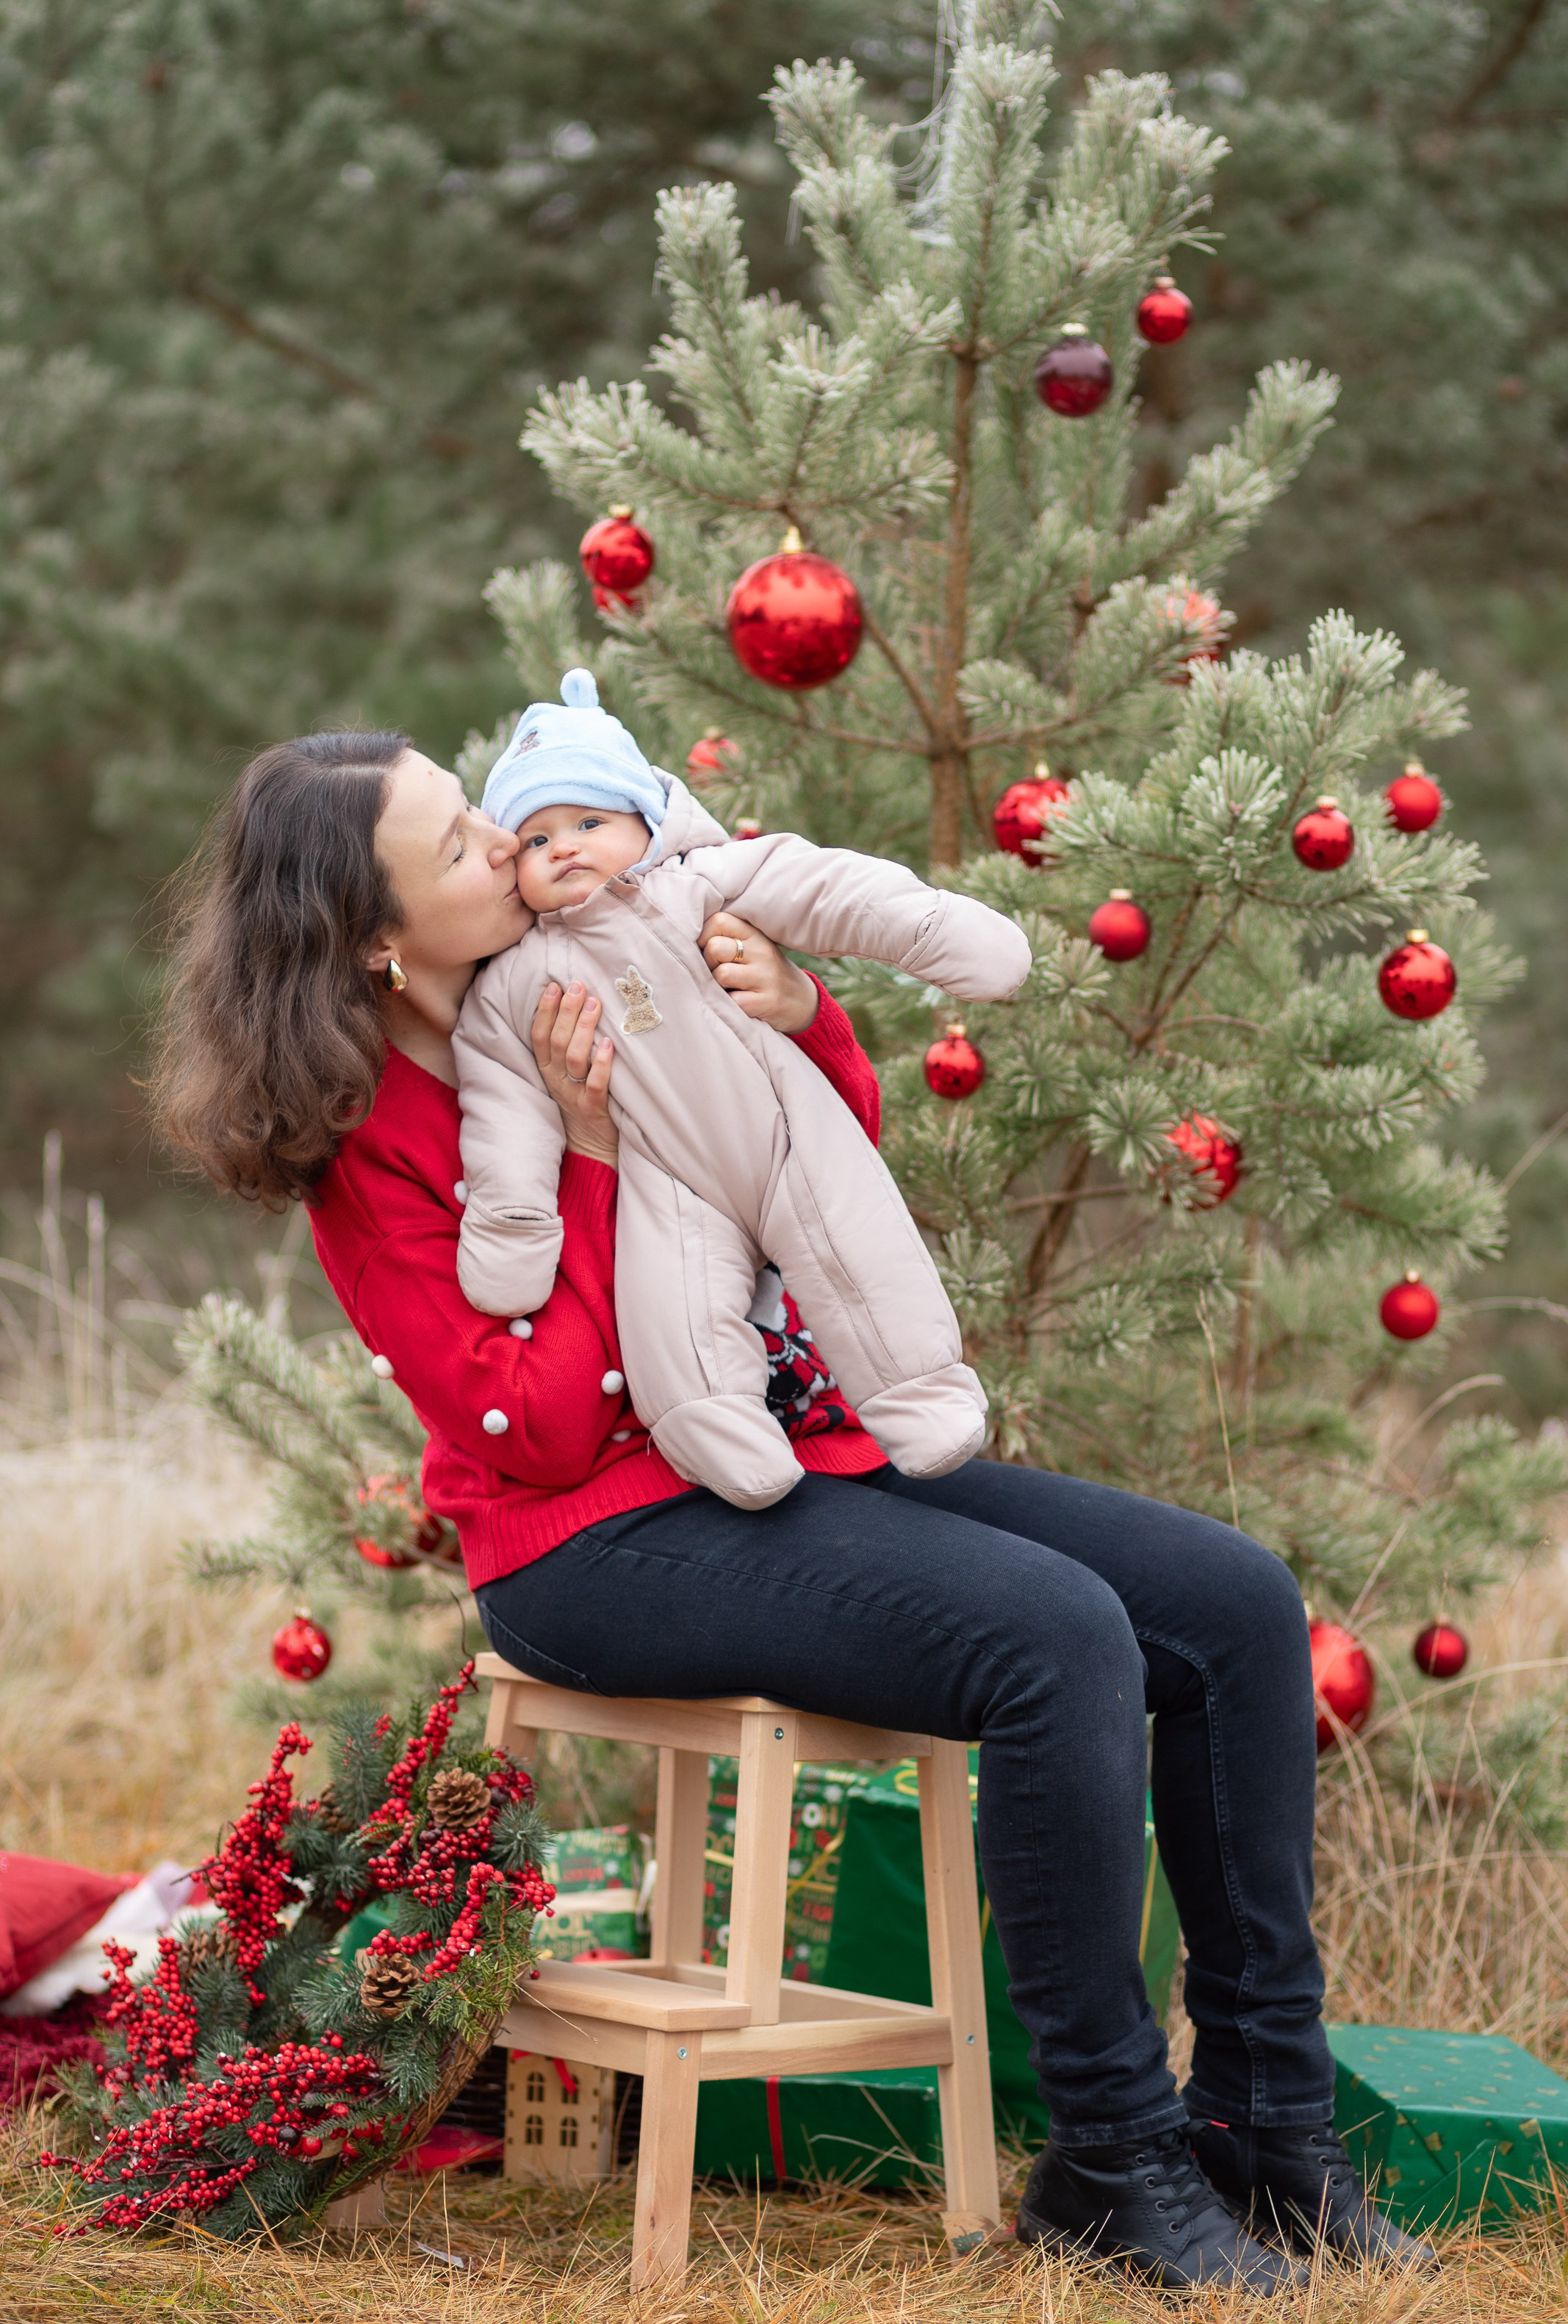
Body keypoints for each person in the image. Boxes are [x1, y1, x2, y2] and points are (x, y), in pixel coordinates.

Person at [151, 727, 1434, 2293]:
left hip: (776, 1449)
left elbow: (810, 1157)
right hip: (591, 1544)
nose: (505, 840)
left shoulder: (608, 922)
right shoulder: (369, 1135)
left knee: (1230, 1603)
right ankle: (1112, 2150)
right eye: (457, 843)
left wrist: (799, 1008)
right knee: (1054, 1641)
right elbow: (545, 1430)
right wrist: (605, 1155)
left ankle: (1268, 2128)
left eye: (481, 811)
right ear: (374, 934)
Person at [453, 669, 1029, 1510]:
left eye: (588, 821)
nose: (565, 846)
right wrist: (512, 1219)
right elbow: (501, 1106)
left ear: (644, 819)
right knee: (673, 1312)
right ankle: (722, 1435)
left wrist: (938, 932)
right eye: (536, 840)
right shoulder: (514, 979)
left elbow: (838, 891)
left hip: (787, 1131)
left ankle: (921, 1400)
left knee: (861, 1256)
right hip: (668, 1176)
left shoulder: (706, 882)